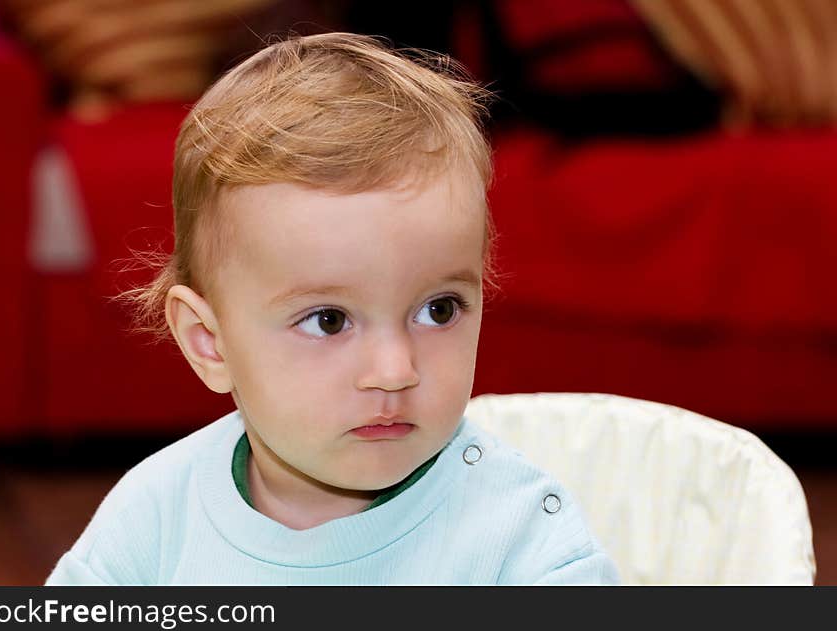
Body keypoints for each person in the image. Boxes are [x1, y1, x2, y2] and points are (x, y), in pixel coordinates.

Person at [45, 32, 620, 585]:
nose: (396, 370)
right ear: (209, 342)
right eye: (329, 321)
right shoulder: (156, 517)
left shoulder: (520, 539)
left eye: (439, 310)